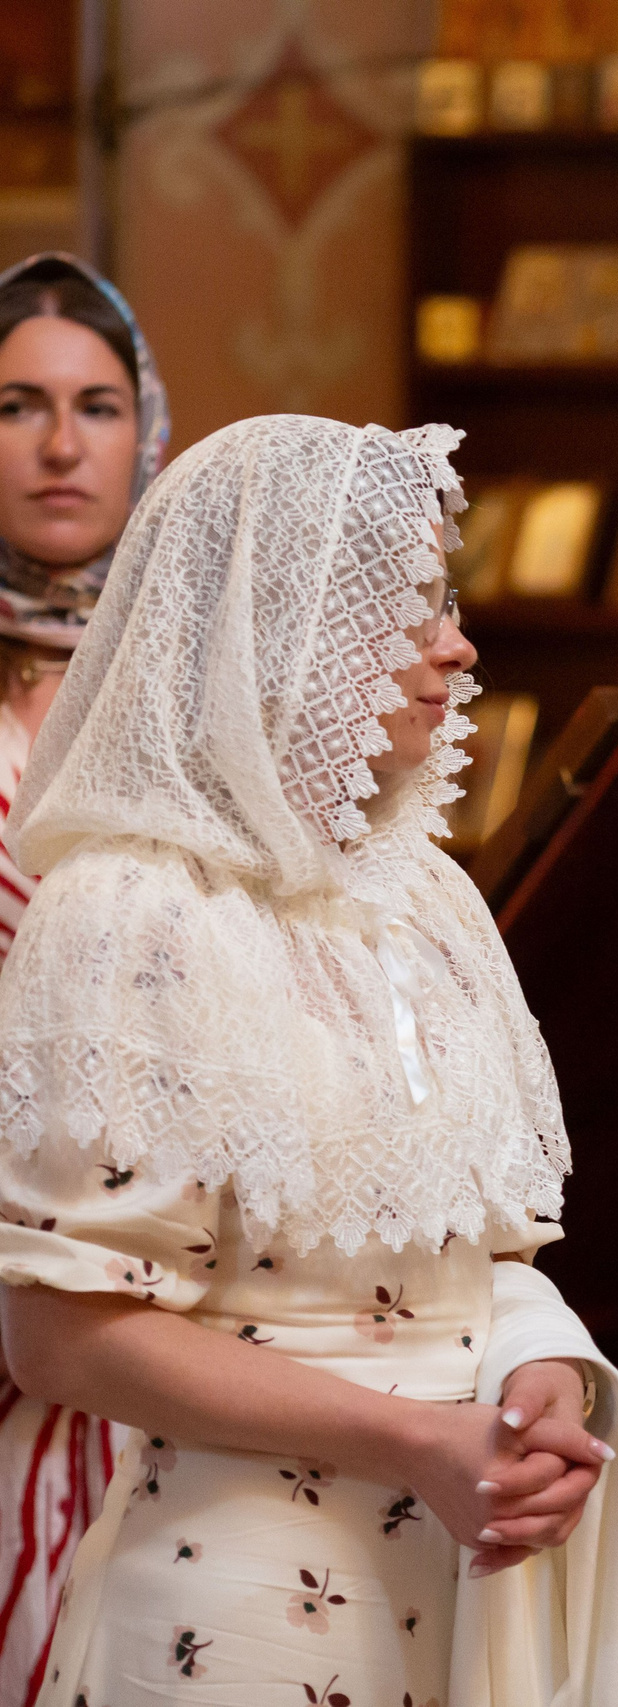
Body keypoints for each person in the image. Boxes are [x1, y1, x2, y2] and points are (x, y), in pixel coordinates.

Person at [0, 415, 618, 1707]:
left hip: (461, 1564)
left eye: (446, 602)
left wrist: (538, 1383)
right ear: (272, 624)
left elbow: (482, 1254)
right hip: (240, 1611)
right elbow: (65, 1334)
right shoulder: (131, 912)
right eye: (404, 607)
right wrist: (414, 1439)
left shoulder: (425, 902)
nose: (455, 645)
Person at [0, 251, 168, 1707]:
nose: (62, 443)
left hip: (167, 1249)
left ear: (146, 431)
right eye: (17, 405)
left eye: (97, 405)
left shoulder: (195, 686)